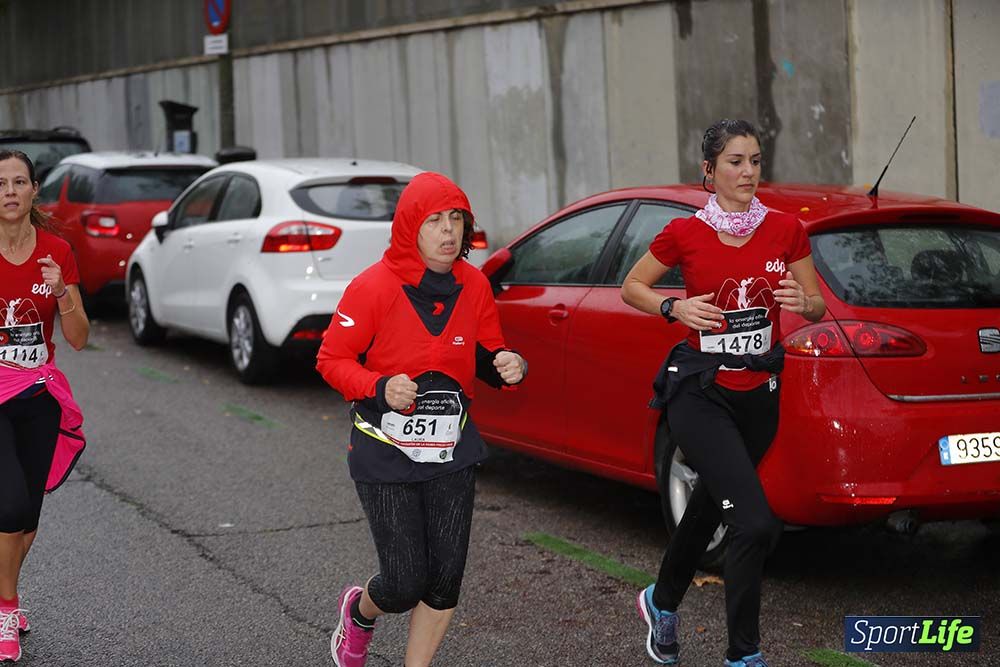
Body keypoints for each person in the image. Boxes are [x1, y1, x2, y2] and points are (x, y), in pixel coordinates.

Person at [621, 120, 825, 667]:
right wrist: (675, 307)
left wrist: (804, 305)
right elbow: (632, 286)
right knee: (754, 522)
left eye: (756, 160)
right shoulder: (686, 233)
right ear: (709, 171)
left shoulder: (786, 230)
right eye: (735, 162)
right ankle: (744, 655)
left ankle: (661, 603)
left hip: (759, 394)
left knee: (710, 507)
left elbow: (816, 305)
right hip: (700, 390)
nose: (749, 172)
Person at [316, 171, 526, 667]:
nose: (448, 231)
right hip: (382, 450)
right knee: (405, 581)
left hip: (450, 450)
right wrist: (379, 386)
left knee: (446, 575)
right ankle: (360, 612)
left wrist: (510, 365)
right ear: (411, 226)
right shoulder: (372, 287)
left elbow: (486, 353)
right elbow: (330, 359)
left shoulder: (474, 285)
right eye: (435, 220)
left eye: (456, 219)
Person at [0, 150, 89, 662]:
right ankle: (7, 608)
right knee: (7, 506)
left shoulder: (57, 251)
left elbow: (77, 339)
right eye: (1, 183)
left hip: (38, 396)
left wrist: (63, 292)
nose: (10, 191)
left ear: (35, 191)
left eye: (19, 182)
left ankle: (2, 594)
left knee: (27, 520)